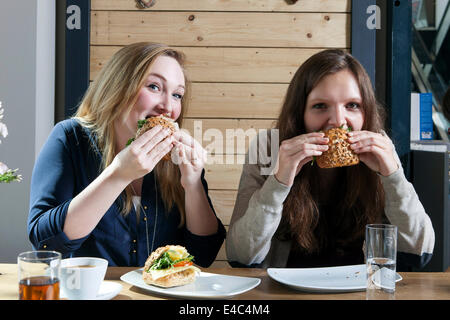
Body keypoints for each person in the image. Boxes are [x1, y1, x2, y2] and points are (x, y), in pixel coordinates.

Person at [226, 49, 435, 271]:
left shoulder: (381, 148)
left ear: (366, 111)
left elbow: (419, 252)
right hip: (284, 292)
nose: (337, 121)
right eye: (320, 106)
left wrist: (393, 178)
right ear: (300, 113)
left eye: (352, 105)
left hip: (360, 290)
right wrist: (278, 183)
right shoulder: (268, 147)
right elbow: (240, 256)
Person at [28, 42, 226, 267]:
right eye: (154, 86)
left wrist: (193, 185)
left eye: (177, 95)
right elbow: (45, 243)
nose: (168, 107)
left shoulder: (177, 158)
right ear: (118, 87)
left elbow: (204, 256)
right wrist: (118, 174)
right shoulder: (70, 137)